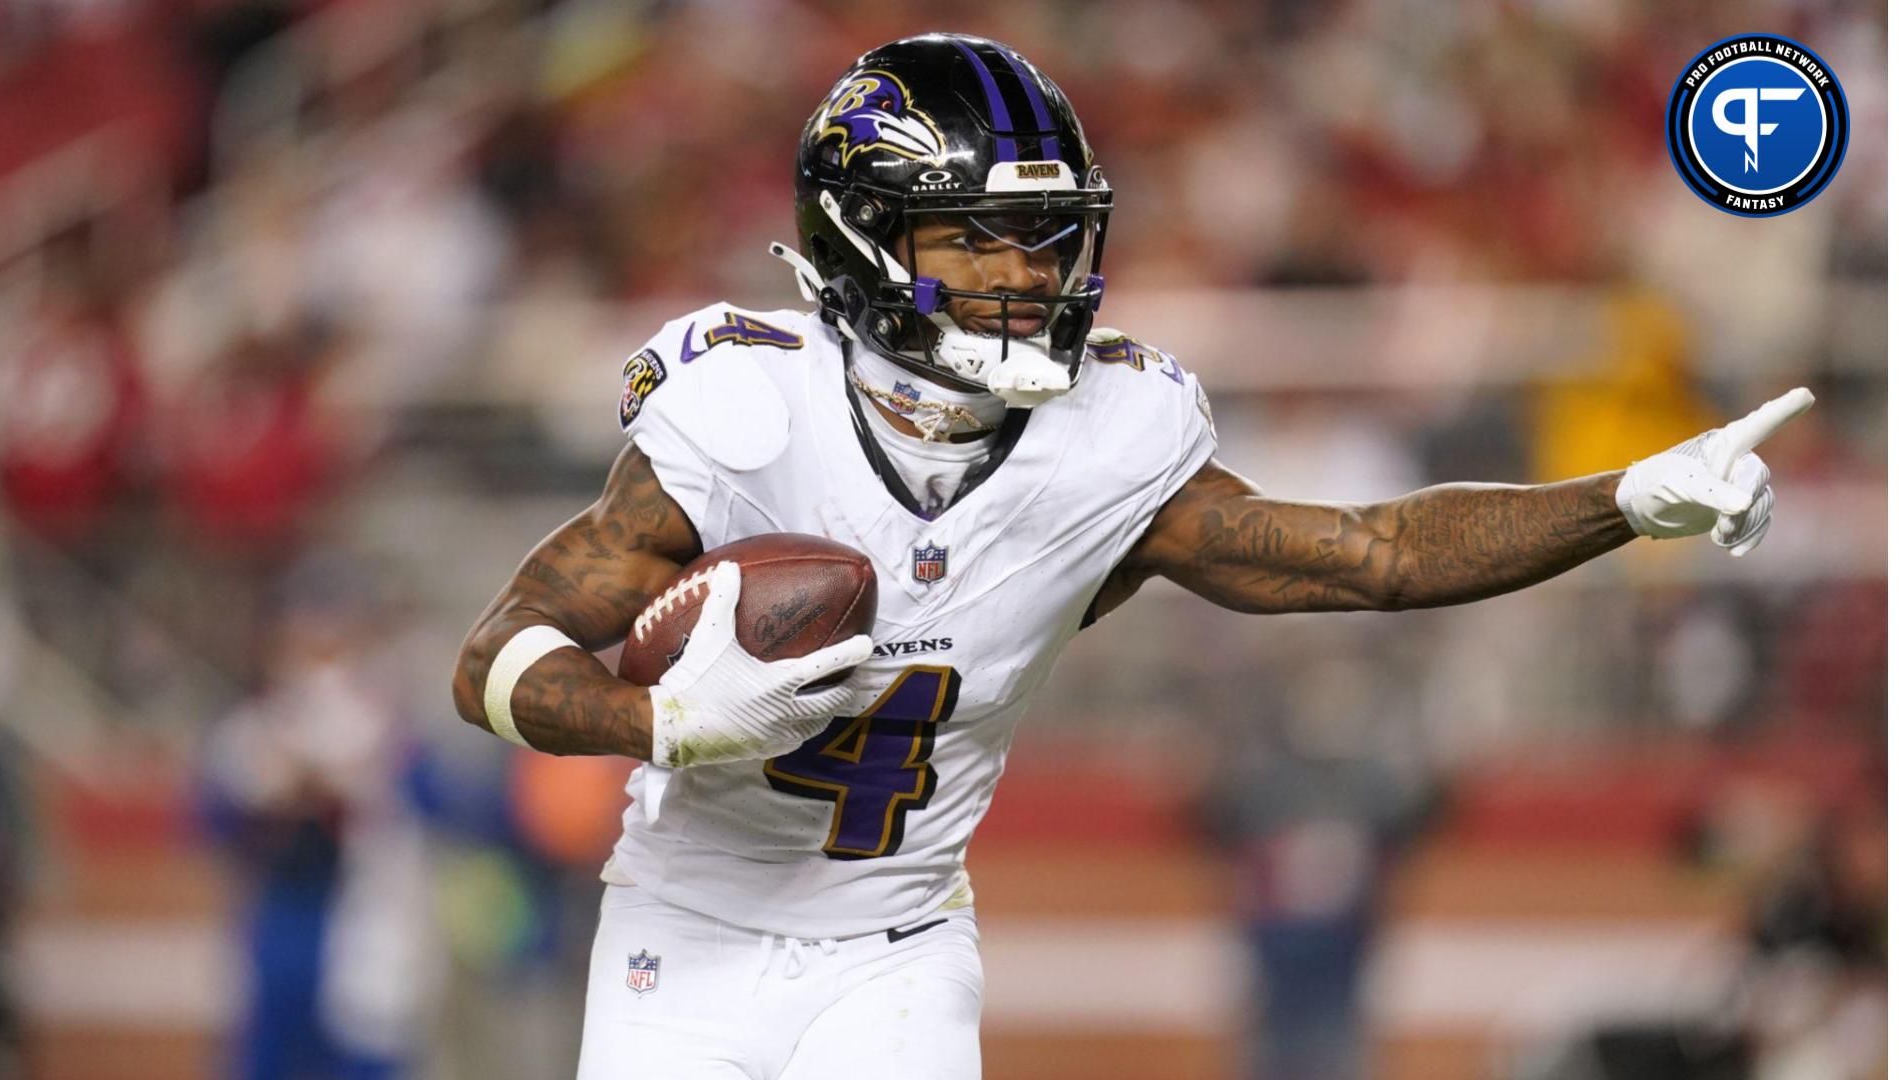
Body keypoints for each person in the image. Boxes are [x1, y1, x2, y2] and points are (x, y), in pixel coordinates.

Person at [451, 33, 1811, 1079]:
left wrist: (1628, 497)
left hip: (895, 947)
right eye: (976, 239)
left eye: (1044, 238)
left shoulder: (1109, 441)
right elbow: (496, 661)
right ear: (862, 237)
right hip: (680, 933)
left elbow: (1375, 554)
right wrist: (663, 721)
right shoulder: (750, 414)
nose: (1027, 276)